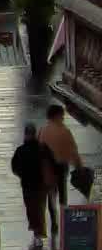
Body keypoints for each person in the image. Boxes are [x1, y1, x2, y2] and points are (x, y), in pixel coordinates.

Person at [41, 104, 85, 242]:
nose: (63, 118)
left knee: (50, 195)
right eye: (62, 115)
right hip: (61, 167)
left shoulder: (43, 130)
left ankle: (54, 221)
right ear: (56, 115)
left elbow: (38, 150)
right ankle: (64, 220)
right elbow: (73, 151)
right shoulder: (64, 131)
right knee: (62, 194)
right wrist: (79, 166)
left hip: (47, 168)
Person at [12, 122, 53, 250]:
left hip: (28, 185)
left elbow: (15, 167)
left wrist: (22, 175)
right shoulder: (43, 148)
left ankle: (37, 232)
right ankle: (38, 232)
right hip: (41, 184)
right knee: (39, 208)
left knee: (31, 208)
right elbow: (52, 163)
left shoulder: (21, 150)